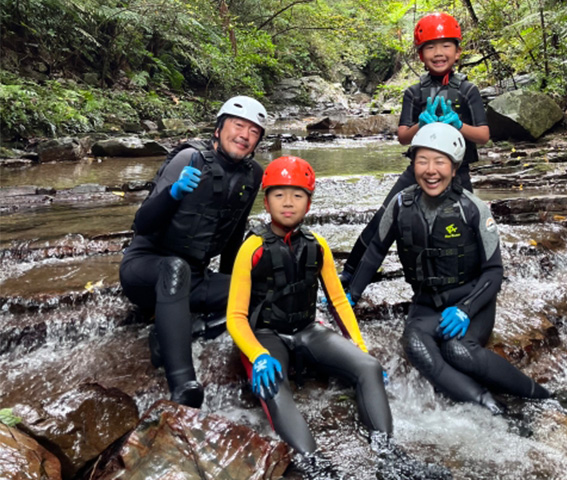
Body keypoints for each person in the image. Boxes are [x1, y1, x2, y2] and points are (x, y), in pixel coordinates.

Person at [226, 156, 451, 480]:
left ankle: (388, 456)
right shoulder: (252, 248)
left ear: (309, 202)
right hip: (265, 336)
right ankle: (316, 467)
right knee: (273, 383)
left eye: (298, 196)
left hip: (306, 328)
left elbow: (338, 302)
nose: (288, 203)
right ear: (266, 201)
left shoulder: (316, 246)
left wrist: (359, 345)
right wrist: (258, 355)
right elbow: (235, 316)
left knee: (368, 367)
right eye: (279, 195)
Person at [348, 123, 550, 415]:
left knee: (459, 350)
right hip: (426, 304)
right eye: (422, 161)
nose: (431, 170)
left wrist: (465, 309)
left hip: (472, 303)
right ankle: (491, 406)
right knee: (416, 346)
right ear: (413, 164)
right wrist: (351, 295)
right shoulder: (400, 206)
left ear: (454, 169)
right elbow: (375, 252)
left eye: (440, 162)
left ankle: (542, 396)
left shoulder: (473, 209)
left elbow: (493, 272)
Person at [119, 95, 268, 408]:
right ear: (218, 129)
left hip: (196, 279)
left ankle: (170, 331)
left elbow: (234, 232)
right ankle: (184, 385)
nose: (244, 135)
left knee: (259, 284)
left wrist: (233, 284)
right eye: (238, 125)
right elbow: (142, 224)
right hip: (146, 269)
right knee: (176, 269)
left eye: (253, 131)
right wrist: (172, 195)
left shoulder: (252, 175)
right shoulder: (188, 159)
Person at [340, 12, 490, 286]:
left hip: (458, 172)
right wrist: (420, 125)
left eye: (446, 46)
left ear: (458, 52)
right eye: (430, 47)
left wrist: (458, 125)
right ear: (421, 55)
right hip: (417, 171)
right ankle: (350, 274)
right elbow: (402, 136)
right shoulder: (414, 92)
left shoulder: (468, 91)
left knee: (466, 226)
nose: (438, 53)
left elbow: (483, 135)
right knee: (384, 217)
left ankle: (471, 282)